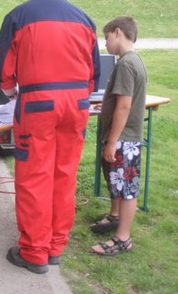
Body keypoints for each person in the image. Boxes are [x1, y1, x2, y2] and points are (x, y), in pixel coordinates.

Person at [0, 0, 100, 274]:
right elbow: (94, 75)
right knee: (64, 175)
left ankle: (34, 252)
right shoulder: (84, 19)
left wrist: (13, 92)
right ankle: (55, 247)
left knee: (34, 177)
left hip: (38, 105)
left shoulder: (19, 16)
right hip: (77, 103)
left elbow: (1, 74)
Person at [90, 16, 147, 256]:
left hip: (123, 139)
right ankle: (115, 218)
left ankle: (122, 238)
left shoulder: (125, 64)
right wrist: (104, 108)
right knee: (119, 185)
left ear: (117, 32)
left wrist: (112, 141)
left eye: (106, 38)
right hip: (125, 138)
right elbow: (120, 102)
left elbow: (124, 106)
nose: (105, 44)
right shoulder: (134, 60)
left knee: (126, 190)